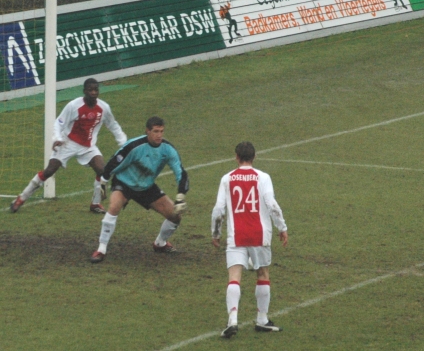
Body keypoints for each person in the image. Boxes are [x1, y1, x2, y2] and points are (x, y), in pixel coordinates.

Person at [10, 78, 127, 214]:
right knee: (49, 171)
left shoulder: (104, 108)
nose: (94, 93)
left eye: (96, 90)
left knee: (102, 171)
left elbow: (113, 125)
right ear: (84, 91)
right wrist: (58, 138)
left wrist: (124, 144)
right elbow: (58, 123)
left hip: (88, 146)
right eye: (90, 90)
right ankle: (21, 198)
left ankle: (95, 203)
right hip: (68, 143)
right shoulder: (73, 106)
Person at [211, 141, 288, 338]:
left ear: (236, 157)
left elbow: (219, 211)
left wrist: (216, 234)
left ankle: (233, 320)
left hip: (236, 236)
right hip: (259, 234)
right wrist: (282, 227)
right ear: (254, 157)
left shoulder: (227, 179)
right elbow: (271, 204)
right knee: (262, 273)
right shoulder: (263, 177)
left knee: (234, 276)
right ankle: (262, 319)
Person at [90, 116, 189, 263]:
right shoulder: (134, 146)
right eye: (155, 131)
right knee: (114, 206)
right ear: (147, 131)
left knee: (175, 216)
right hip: (124, 183)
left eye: (161, 131)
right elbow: (114, 161)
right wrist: (104, 181)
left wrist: (180, 196)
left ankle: (160, 243)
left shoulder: (168, 149)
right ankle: (101, 248)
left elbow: (181, 173)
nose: (159, 135)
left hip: (146, 187)